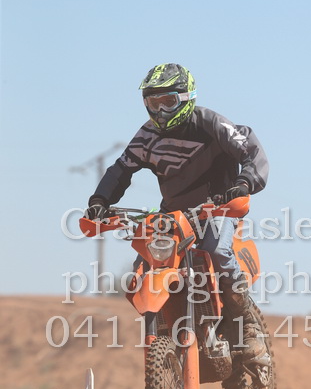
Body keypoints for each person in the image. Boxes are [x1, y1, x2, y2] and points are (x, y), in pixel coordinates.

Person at [85, 63, 269, 359]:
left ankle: (246, 322)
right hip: (173, 216)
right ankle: (164, 331)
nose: (160, 111)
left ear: (186, 97)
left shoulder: (210, 123)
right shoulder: (147, 135)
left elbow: (250, 150)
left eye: (168, 101)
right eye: (153, 103)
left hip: (216, 209)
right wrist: (100, 201)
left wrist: (244, 183)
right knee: (144, 267)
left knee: (217, 250)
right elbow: (121, 170)